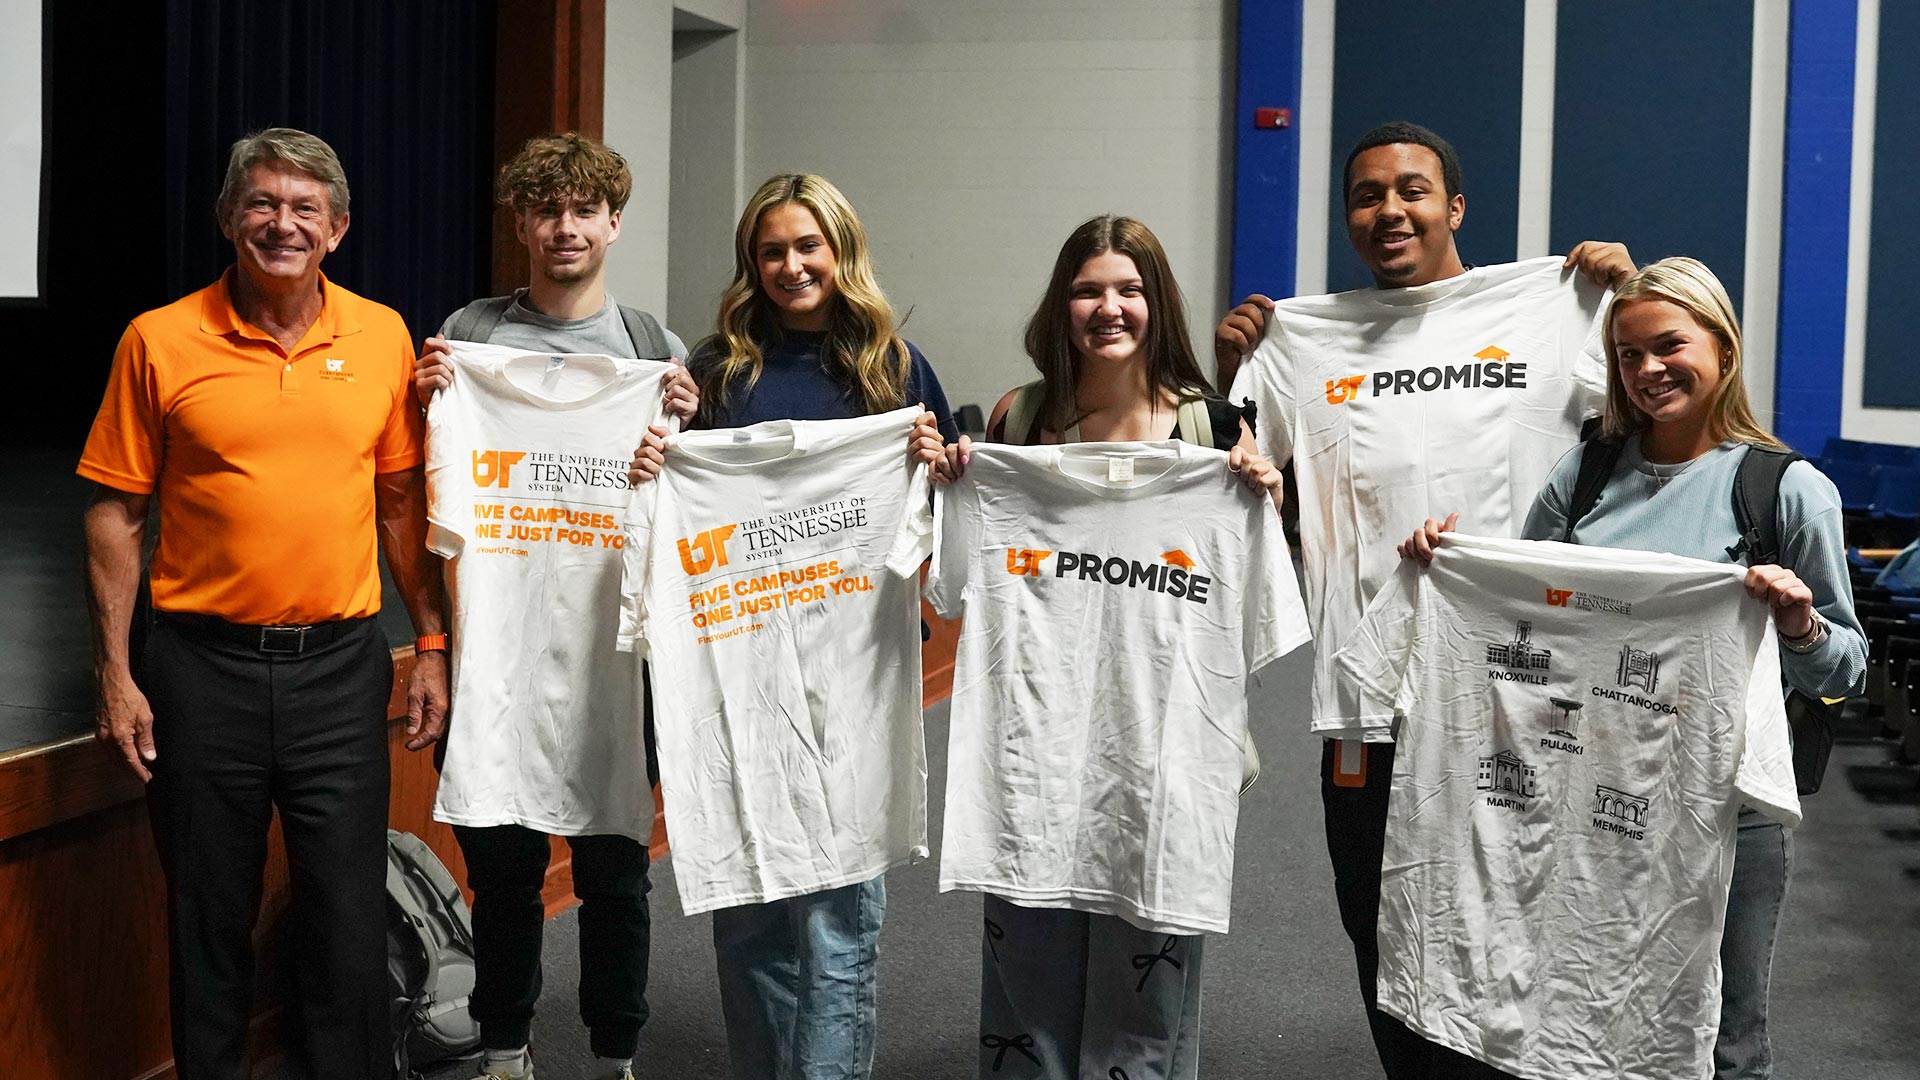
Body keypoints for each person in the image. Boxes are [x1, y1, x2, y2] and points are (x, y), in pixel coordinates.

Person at [1212, 120, 1634, 1079]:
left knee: (1525, 924)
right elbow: (1242, 473)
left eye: (1410, 190)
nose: (1388, 210)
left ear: (1455, 207)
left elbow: (1658, 407)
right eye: (1366, 195)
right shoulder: (1299, 341)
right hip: (1371, 702)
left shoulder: (1549, 310)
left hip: (1521, 689)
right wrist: (1225, 367)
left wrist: (1626, 295)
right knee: (1385, 931)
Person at [1400, 256, 1867, 1080]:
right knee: (1579, 1008)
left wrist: (1797, 625)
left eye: (1669, 346)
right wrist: (1451, 561)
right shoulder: (1582, 479)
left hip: (1724, 810)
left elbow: (1848, 670)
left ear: (1721, 346)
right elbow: (1527, 610)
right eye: (1627, 354)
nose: (1648, 370)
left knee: (1723, 1032)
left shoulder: (1787, 492)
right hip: (1581, 797)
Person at [79, 128, 449, 1080]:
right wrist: (116, 674)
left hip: (339, 668)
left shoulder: (382, 335)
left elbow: (401, 501)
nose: (282, 224)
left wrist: (433, 642)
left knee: (346, 924)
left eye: (304, 208)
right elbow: (116, 513)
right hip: (199, 673)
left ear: (338, 229)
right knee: (208, 923)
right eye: (262, 203)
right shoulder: (158, 338)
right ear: (228, 218)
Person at [934, 214, 1282, 1079]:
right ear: (1063, 305)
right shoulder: (1019, 422)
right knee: (1025, 988)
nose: (1108, 308)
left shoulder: (1210, 434)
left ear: (1157, 303)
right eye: (1089, 290)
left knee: (1147, 997)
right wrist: (951, 483)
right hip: (1033, 758)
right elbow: (951, 580)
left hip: (1160, 759)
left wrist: (1261, 499)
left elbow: (1261, 606)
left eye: (1129, 289)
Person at [627, 172, 952, 1080]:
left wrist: (932, 465)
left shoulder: (897, 369)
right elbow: (667, 507)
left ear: (840, 251)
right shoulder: (718, 370)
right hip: (741, 672)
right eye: (771, 251)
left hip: (857, 671)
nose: (790, 265)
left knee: (840, 918)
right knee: (751, 908)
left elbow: (942, 518)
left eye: (808, 246)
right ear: (750, 263)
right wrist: (661, 454)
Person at [410, 132, 698, 1080]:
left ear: (614, 223)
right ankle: (505, 1047)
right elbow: (426, 492)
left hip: (618, 657)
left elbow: (691, 505)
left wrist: (684, 431)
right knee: (503, 876)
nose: (564, 228)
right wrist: (434, 400)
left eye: (584, 210)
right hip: (499, 650)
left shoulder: (654, 351)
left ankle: (614, 1051)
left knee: (616, 871)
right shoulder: (474, 337)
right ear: (522, 224)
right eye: (546, 210)